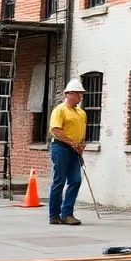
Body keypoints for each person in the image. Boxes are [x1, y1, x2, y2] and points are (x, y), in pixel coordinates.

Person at [48, 77, 87, 225]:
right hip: (61, 148)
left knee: (75, 180)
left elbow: (81, 132)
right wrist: (72, 143)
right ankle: (54, 215)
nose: (80, 97)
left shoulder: (81, 113)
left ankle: (67, 213)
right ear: (68, 94)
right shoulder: (60, 110)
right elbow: (56, 130)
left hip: (75, 150)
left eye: (81, 94)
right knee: (59, 181)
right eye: (78, 94)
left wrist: (81, 145)